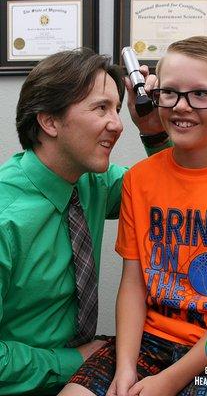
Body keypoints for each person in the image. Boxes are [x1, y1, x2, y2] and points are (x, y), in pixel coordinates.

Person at [59, 36, 207, 396]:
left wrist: (169, 381)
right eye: (169, 92)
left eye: (201, 94)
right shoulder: (139, 180)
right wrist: (125, 369)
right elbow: (133, 285)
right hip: (149, 341)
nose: (181, 106)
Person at [0, 48, 170, 395]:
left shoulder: (93, 183)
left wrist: (153, 132)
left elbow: (169, 195)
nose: (119, 124)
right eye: (101, 108)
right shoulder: (7, 219)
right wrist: (71, 361)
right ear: (49, 122)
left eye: (118, 109)